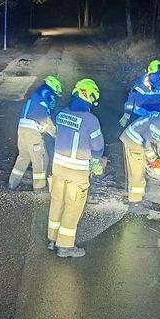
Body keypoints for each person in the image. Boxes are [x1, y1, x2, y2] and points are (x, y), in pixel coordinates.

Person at [47, 78, 105, 258]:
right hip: (77, 171)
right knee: (73, 207)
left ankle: (52, 239)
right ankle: (65, 247)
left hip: (58, 167)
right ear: (89, 98)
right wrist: (97, 163)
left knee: (57, 202)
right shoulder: (91, 120)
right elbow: (97, 147)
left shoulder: (62, 113)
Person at [8, 75, 62, 192]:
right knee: (41, 158)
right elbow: (45, 120)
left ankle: (12, 183)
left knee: (24, 156)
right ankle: (39, 187)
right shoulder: (47, 93)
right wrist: (56, 134)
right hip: (32, 132)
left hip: (22, 129)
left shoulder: (36, 95)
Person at [119, 59, 160, 127]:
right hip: (138, 115)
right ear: (149, 73)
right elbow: (131, 99)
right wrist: (126, 114)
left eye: (159, 75)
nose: (157, 77)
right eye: (155, 74)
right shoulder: (139, 84)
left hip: (153, 115)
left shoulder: (159, 84)